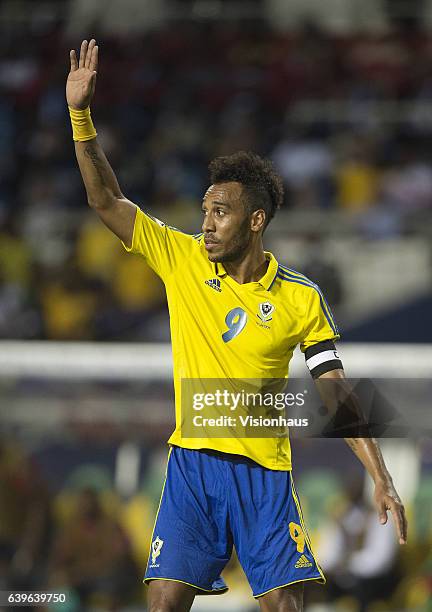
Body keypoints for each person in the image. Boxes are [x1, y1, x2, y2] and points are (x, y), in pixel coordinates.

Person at [66, 39, 408, 612]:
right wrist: (81, 116)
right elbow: (107, 201)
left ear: (255, 221)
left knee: (285, 608)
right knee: (163, 603)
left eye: (218, 213)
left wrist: (382, 476)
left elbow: (335, 389)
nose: (205, 224)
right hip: (192, 466)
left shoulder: (301, 297)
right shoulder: (180, 258)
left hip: (264, 475)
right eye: (203, 210)